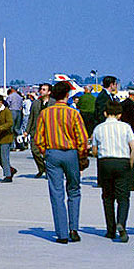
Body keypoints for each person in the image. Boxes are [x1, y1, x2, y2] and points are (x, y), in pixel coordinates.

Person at [33, 81, 89, 244]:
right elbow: (82, 138)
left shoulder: (45, 113)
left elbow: (38, 138)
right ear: (67, 95)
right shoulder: (73, 113)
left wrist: (46, 152)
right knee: (74, 190)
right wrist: (81, 156)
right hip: (71, 153)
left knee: (56, 193)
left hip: (52, 153)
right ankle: (74, 229)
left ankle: (62, 233)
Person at [91, 101, 134, 242]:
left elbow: (94, 150)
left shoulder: (98, 128)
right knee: (123, 197)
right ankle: (121, 222)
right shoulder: (126, 127)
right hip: (122, 161)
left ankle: (110, 229)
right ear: (120, 114)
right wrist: (130, 164)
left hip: (105, 162)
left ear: (105, 113)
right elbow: (132, 147)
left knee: (108, 197)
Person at [24, 83, 55, 177]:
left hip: (49, 132)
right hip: (36, 130)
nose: (41, 91)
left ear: (49, 92)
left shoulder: (53, 103)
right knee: (35, 151)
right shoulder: (35, 103)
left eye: (44, 89)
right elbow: (31, 118)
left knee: (48, 153)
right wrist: (27, 131)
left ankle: (49, 171)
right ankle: (42, 168)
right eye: (41, 89)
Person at [0, 95, 15, 182]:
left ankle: (8, 175)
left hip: (6, 137)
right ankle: (10, 169)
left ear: (1, 102)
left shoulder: (6, 111)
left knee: (4, 157)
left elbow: (10, 123)